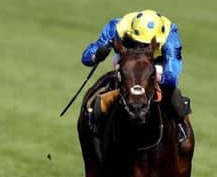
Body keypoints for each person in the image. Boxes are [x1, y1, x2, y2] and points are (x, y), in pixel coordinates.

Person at [81, 9, 191, 143]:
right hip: (127, 59)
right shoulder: (117, 27)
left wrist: (151, 75)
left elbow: (172, 77)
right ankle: (97, 124)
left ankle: (180, 126)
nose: (141, 48)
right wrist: (96, 55)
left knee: (172, 94)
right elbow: (86, 58)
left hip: (155, 63)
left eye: (145, 44)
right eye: (138, 42)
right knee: (118, 76)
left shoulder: (170, 37)